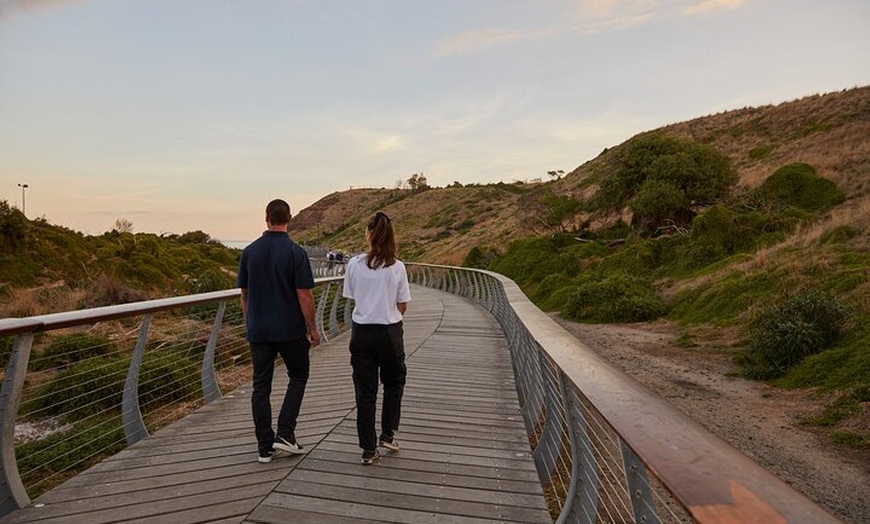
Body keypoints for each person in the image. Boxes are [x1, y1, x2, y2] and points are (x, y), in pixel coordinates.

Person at [237, 198, 321, 464]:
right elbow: (304, 296)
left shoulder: (249, 252)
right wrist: (313, 329)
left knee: (261, 386)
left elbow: (245, 294)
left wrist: (250, 321)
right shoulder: (296, 253)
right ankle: (285, 433)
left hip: (259, 329)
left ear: (266, 219)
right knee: (298, 376)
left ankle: (264, 447)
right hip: (290, 330)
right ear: (289, 219)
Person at [342, 212, 411, 465]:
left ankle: (368, 449)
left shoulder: (354, 264)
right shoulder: (398, 267)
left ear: (368, 235)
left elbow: (352, 297)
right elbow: (402, 304)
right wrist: (388, 313)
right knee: (394, 382)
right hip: (389, 332)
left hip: (362, 333)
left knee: (365, 392)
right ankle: (388, 433)